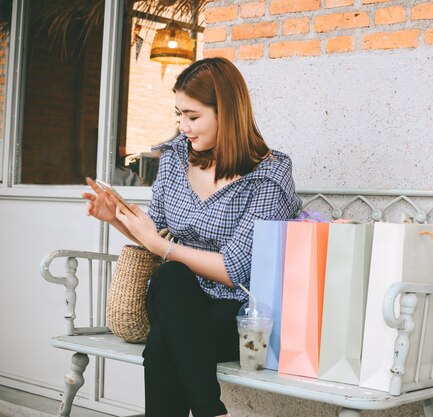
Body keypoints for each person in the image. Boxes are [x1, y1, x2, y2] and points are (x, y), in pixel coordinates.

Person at [82, 57, 302, 417]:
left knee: (162, 342)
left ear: (228, 112)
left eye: (193, 116)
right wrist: (116, 218)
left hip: (237, 316)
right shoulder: (174, 158)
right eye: (178, 115)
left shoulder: (269, 175)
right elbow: (156, 233)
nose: (183, 126)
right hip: (176, 299)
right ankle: (210, 411)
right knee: (171, 279)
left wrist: (160, 246)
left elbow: (235, 270)